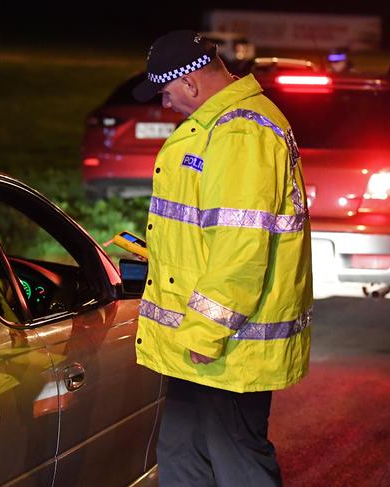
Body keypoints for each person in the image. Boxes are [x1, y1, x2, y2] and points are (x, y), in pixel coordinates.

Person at [132, 30, 313, 486]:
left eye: (167, 91)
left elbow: (240, 248)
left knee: (237, 464)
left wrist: (207, 331)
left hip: (229, 347)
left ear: (190, 83)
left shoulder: (241, 131)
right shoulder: (219, 126)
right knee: (182, 456)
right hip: (203, 345)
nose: (166, 103)